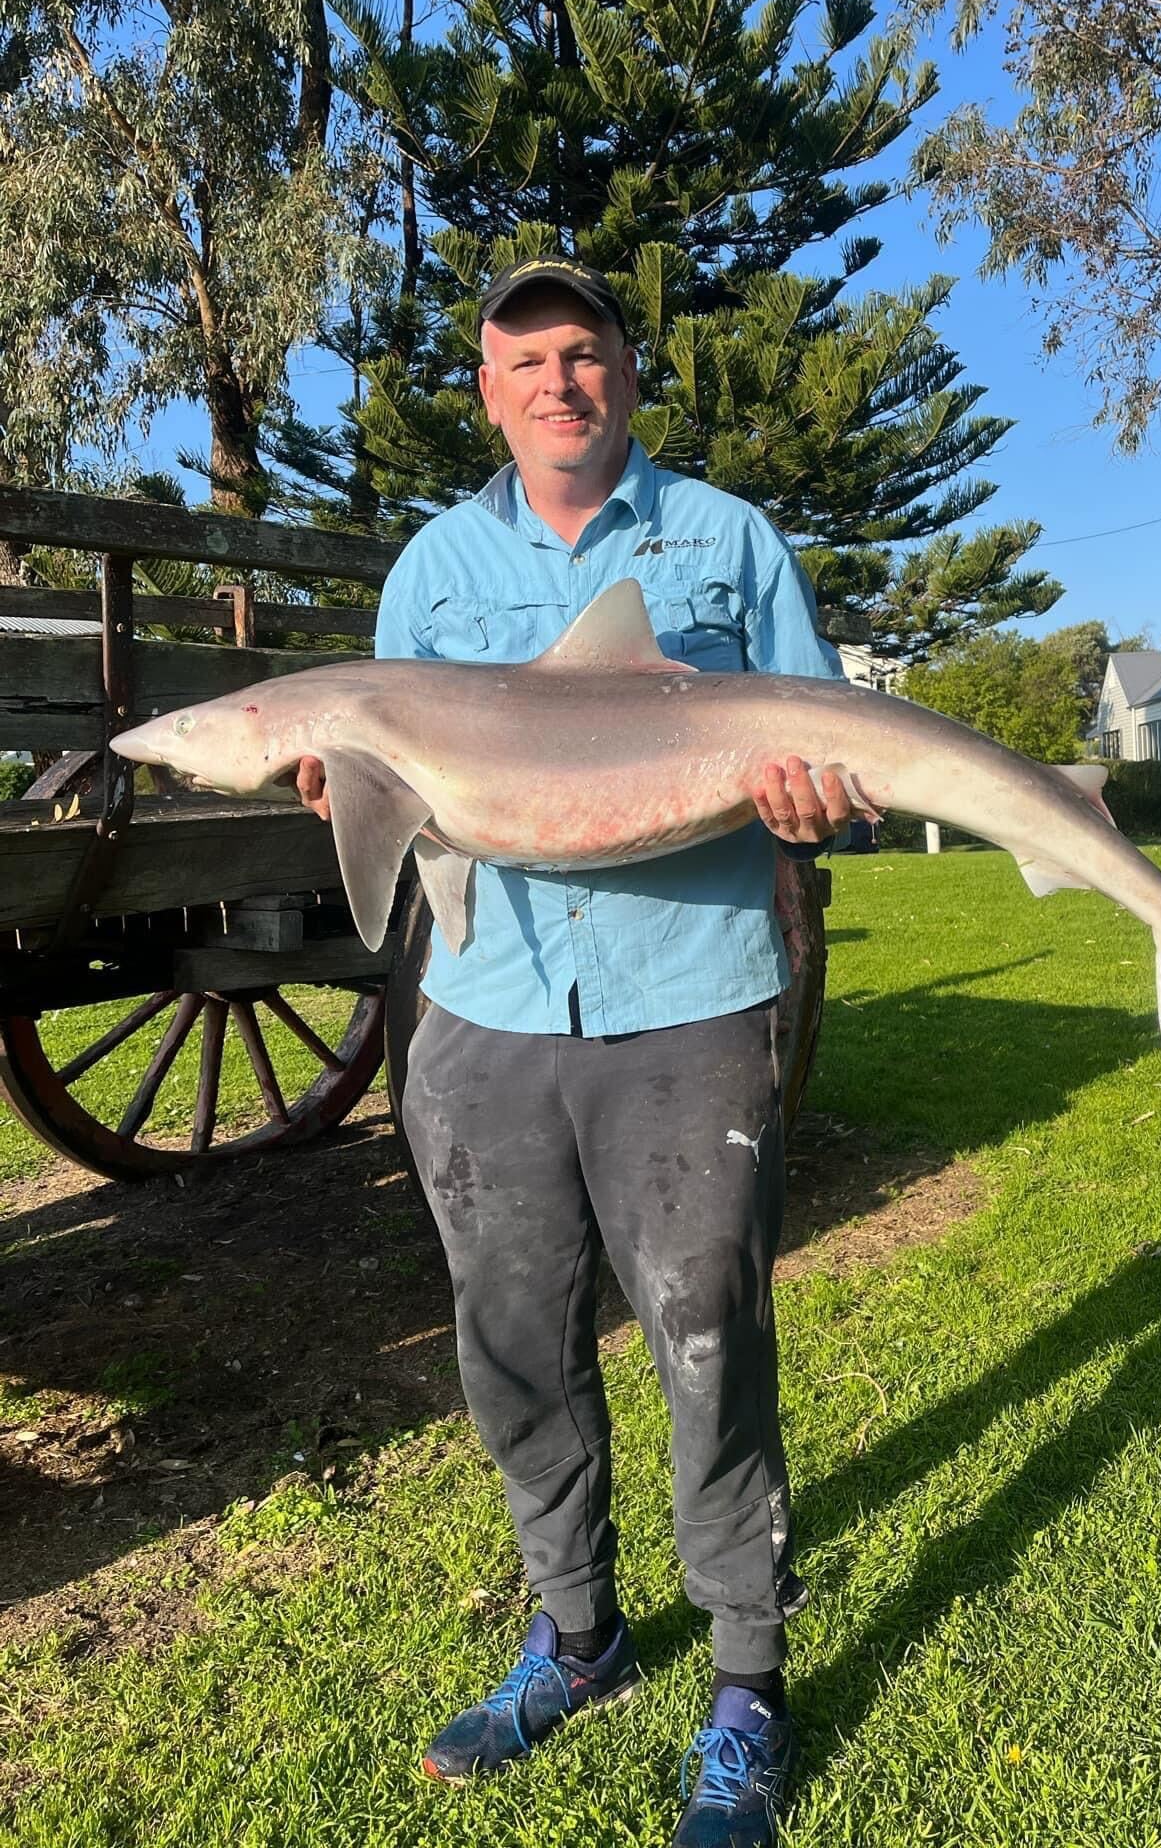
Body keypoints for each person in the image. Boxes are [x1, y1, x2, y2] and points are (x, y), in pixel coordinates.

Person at [296, 256, 850, 1846]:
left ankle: (746, 1676)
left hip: (693, 994)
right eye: (525, 357)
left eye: (586, 352)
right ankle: (578, 1634)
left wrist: (813, 790)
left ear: (626, 372)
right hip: (488, 1010)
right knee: (512, 1343)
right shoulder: (431, 568)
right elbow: (407, 811)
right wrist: (349, 792)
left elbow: (818, 735)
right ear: (487, 388)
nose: (558, 380)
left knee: (705, 1335)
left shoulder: (727, 541)